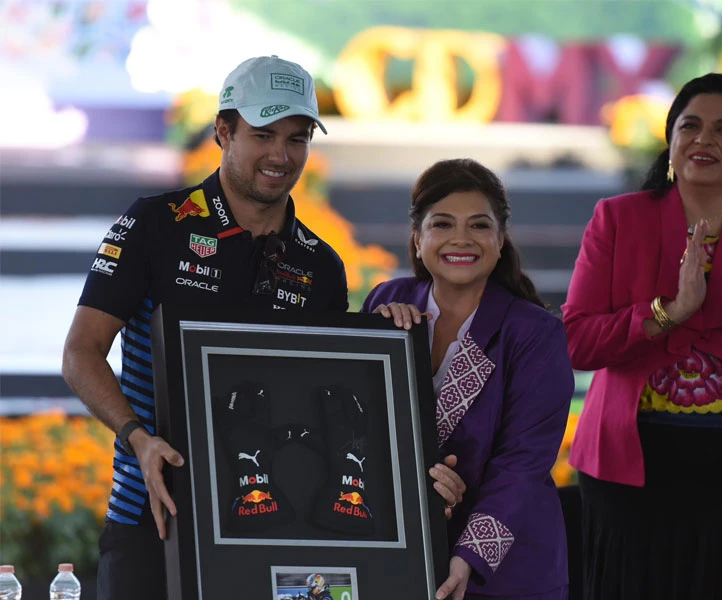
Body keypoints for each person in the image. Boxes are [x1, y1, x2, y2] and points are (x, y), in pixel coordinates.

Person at [61, 55, 463, 600]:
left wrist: (387, 333)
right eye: (264, 134)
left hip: (281, 525)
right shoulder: (155, 224)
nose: (281, 155)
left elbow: (325, 394)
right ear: (223, 132)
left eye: (297, 138)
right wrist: (139, 439)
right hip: (152, 515)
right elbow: (81, 353)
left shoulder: (319, 262)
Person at [563, 72, 722, 599]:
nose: (705, 140)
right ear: (670, 142)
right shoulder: (616, 220)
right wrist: (666, 312)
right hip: (627, 478)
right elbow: (577, 343)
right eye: (691, 126)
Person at [363, 158, 573, 600]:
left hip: (503, 571)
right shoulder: (388, 300)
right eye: (442, 224)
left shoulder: (535, 333)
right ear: (418, 240)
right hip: (397, 547)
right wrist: (376, 341)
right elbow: (356, 418)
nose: (461, 239)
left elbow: (523, 464)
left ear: (500, 242)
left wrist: (470, 558)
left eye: (479, 226)